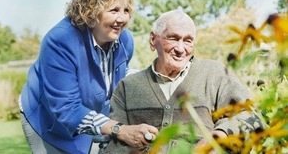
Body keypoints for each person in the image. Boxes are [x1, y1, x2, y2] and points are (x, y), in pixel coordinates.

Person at [19, 0, 158, 154]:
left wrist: (149, 82)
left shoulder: (125, 40)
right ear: (91, 10)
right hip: (48, 120)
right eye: (114, 10)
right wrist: (119, 129)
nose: (122, 19)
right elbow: (67, 109)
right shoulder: (60, 41)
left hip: (88, 115)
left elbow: (121, 73)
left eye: (126, 11)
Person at [103, 8, 262, 153]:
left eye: (188, 41)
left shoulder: (215, 74)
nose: (180, 49)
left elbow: (251, 116)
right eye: (173, 38)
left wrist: (220, 135)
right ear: (153, 40)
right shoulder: (128, 87)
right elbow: (114, 146)